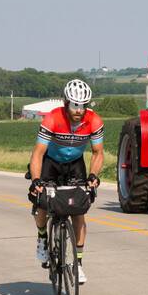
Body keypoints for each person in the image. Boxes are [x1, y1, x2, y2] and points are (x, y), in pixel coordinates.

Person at [28, 79, 103, 283]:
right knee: (42, 201)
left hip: (75, 163)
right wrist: (36, 180)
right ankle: (43, 238)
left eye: (83, 105)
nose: (79, 110)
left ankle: (77, 265)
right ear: (65, 102)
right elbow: (38, 153)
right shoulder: (52, 119)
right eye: (74, 105)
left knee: (78, 210)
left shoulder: (94, 121)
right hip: (50, 162)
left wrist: (94, 176)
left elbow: (98, 153)